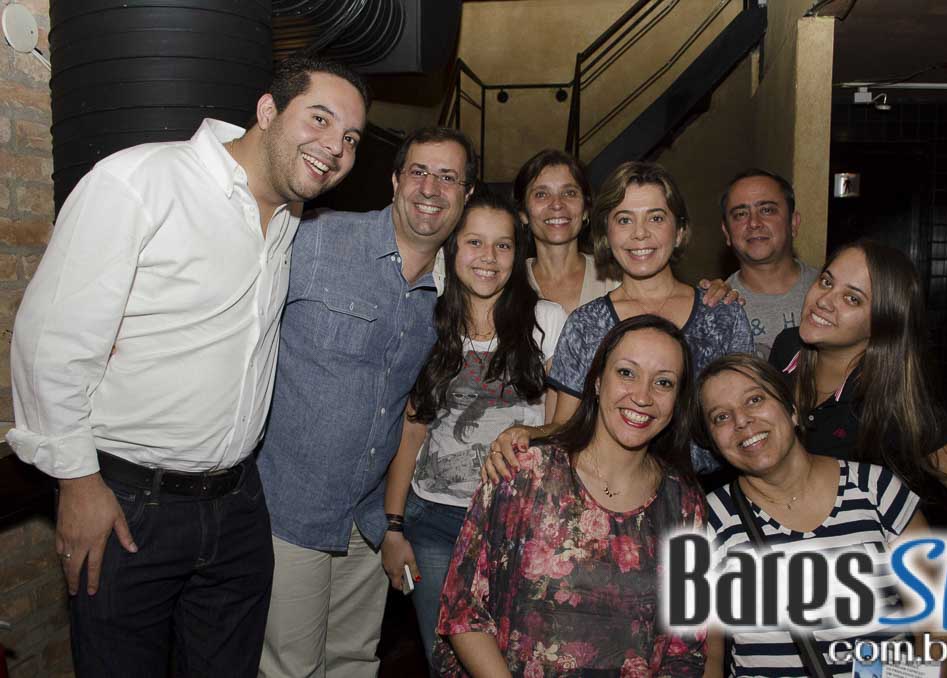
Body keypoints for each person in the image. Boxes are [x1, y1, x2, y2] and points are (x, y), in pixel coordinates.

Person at [6, 57, 369, 676]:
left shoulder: (289, 218)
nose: (335, 147)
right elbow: (50, 345)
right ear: (267, 110)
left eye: (352, 139)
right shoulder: (140, 181)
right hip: (126, 506)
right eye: (320, 119)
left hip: (238, 509)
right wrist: (77, 483)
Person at [255, 127, 477, 678]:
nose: (431, 188)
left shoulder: (454, 292)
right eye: (419, 172)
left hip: (368, 519)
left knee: (354, 663)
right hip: (291, 509)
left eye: (448, 177)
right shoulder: (316, 239)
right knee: (290, 669)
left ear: (466, 195)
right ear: (396, 180)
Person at [434, 315, 707, 676]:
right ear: (597, 381)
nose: (642, 396)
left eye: (663, 382)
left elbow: (685, 647)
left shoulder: (684, 503)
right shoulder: (524, 472)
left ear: (677, 400)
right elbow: (463, 608)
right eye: (627, 373)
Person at [380, 191, 567, 657]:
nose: (489, 257)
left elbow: (565, 424)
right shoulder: (430, 321)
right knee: (441, 656)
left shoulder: (546, 320)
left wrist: (531, 435)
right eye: (475, 242)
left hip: (518, 520)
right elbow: (412, 429)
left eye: (503, 245)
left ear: (517, 254)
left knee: (517, 655)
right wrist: (394, 527)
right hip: (433, 522)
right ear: (453, 248)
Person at [487, 161, 753, 476]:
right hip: (613, 493)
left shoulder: (722, 314)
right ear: (606, 233)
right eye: (624, 219)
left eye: (656, 218)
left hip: (713, 489)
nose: (640, 233)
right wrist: (525, 433)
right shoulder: (586, 323)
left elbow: (749, 413)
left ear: (680, 231)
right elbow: (566, 427)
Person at [767, 240, 947, 553]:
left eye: (852, 298)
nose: (824, 301)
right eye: (826, 281)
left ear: (882, 322)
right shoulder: (786, 348)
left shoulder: (892, 401)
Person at [697, 353, 930, 678]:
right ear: (714, 443)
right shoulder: (708, 520)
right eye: (721, 416)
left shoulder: (876, 489)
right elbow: (708, 658)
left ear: (792, 410)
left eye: (755, 399)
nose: (741, 420)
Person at [720, 169, 819, 359]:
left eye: (767, 210)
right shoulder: (717, 307)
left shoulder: (829, 296)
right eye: (740, 214)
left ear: (793, 223)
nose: (754, 223)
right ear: (727, 233)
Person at [513, 149, 619, 313]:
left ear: (585, 210)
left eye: (569, 193)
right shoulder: (508, 283)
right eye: (541, 194)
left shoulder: (615, 279)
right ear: (523, 214)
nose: (557, 204)